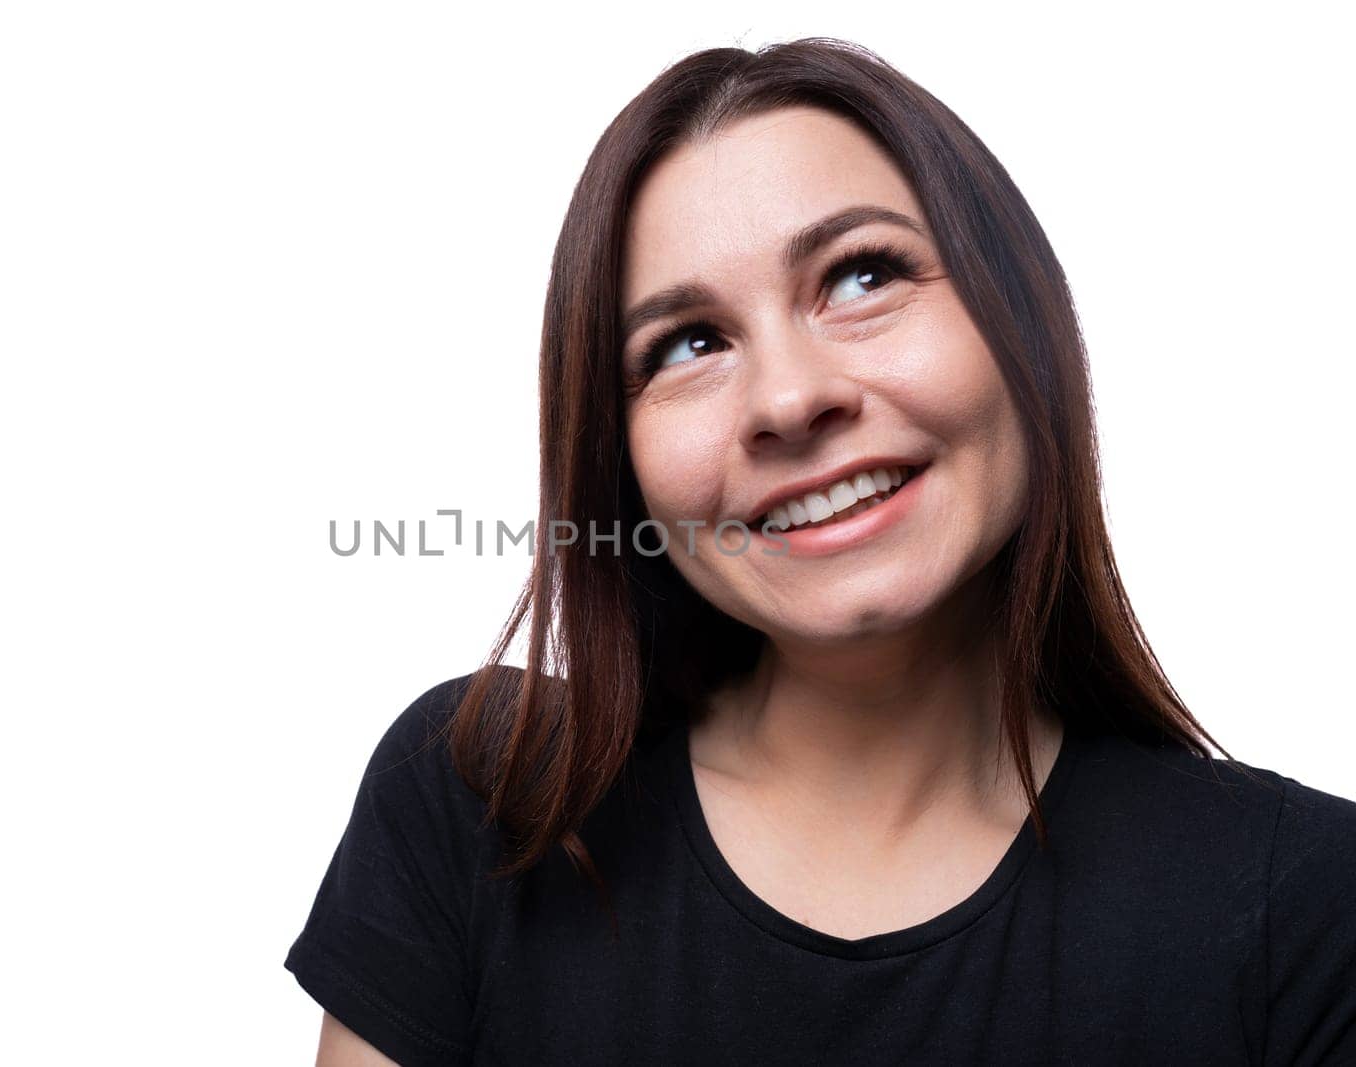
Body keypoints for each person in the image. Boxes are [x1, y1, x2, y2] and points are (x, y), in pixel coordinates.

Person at [284, 37, 1356, 1065]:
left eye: (860, 276)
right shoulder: (480, 799)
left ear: (1020, 320)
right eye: (689, 344)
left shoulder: (1308, 908)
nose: (790, 399)